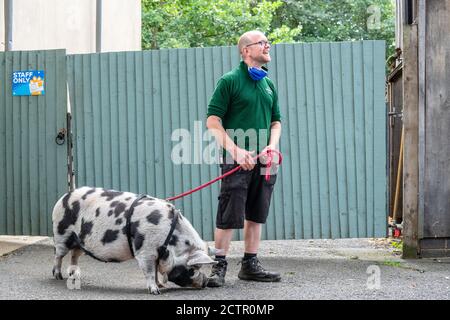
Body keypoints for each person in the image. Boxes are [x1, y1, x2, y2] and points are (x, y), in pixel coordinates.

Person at [205, 30, 282, 287]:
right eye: (262, 42)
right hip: (235, 160)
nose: (267, 45)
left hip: (264, 162)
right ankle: (219, 266)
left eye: (267, 42)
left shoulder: (268, 84)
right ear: (246, 50)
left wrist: (272, 147)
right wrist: (236, 151)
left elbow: (276, 122)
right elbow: (213, 121)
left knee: (256, 213)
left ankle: (249, 265)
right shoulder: (229, 81)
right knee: (229, 214)